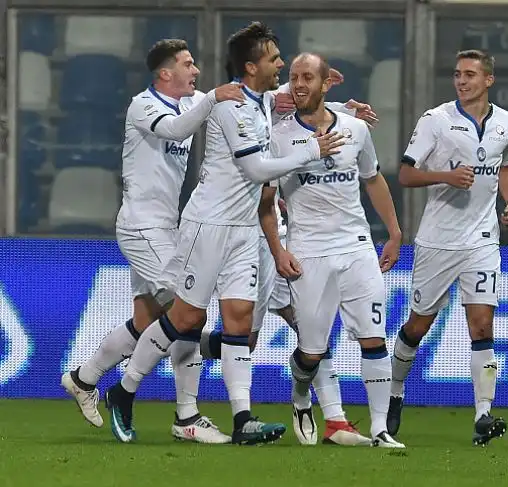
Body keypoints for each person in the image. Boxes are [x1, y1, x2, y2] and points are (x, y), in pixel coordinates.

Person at [104, 22, 345, 445]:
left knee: (237, 322)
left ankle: (243, 419)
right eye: (274, 58)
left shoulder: (263, 99)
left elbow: (296, 99)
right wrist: (312, 150)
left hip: (242, 228)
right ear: (251, 66)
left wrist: (343, 105)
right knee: (186, 318)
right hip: (207, 225)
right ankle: (123, 392)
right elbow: (254, 169)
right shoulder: (231, 106)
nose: (282, 64)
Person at [60, 39, 244, 444]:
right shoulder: (143, 105)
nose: (196, 70)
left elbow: (242, 100)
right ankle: (186, 416)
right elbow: (179, 128)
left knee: (147, 322)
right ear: (165, 73)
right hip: (143, 226)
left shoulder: (192, 99)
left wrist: (328, 106)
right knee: (189, 314)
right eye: (188, 63)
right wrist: (213, 97)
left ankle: (82, 378)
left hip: (166, 227)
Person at [267, 52, 405, 448]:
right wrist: (278, 249)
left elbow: (373, 179)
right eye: (293, 77)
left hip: (357, 246)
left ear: (326, 83)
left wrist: (394, 232)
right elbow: (266, 202)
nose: (298, 84)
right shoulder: (278, 136)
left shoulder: (356, 129)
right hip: (308, 250)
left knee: (373, 336)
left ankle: (379, 429)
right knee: (312, 350)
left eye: (307, 77)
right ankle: (299, 395)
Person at [386, 49, 508, 446]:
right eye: (457, 74)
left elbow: (506, 165)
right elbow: (406, 174)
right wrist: (446, 175)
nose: (461, 81)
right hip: (438, 242)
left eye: (470, 75)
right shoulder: (436, 120)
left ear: (488, 80)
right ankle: (394, 391)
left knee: (482, 326)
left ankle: (483, 416)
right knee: (417, 326)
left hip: (482, 240)